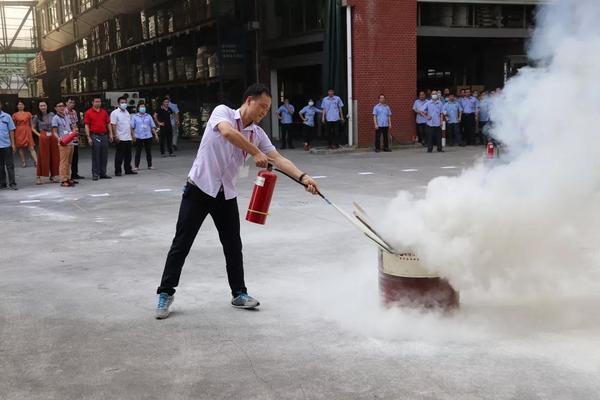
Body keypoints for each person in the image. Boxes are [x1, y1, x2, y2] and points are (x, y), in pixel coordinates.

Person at [154, 83, 319, 319]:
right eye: (261, 106)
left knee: (233, 245)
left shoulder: (258, 134)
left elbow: (279, 159)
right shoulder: (222, 113)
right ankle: (165, 292)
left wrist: (304, 178)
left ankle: (239, 293)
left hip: (225, 194)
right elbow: (229, 133)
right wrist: (255, 153)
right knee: (181, 243)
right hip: (199, 188)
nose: (264, 112)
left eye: (267, 109)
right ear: (248, 100)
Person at [84, 97, 113, 180]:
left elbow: (108, 123)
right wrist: (88, 137)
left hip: (104, 135)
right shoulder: (88, 112)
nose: (98, 103)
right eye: (96, 101)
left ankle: (103, 173)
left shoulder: (104, 112)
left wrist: (111, 134)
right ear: (92, 102)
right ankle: (95, 174)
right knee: (96, 155)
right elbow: (86, 125)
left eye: (99, 101)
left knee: (104, 155)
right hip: (95, 135)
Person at [32, 101, 59, 184]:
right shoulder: (36, 116)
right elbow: (32, 128)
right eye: (41, 106)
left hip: (52, 135)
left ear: (47, 106)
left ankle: (53, 176)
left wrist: (56, 133)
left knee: (54, 155)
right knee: (42, 156)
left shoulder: (52, 114)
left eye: (44, 105)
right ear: (39, 107)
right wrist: (39, 135)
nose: (43, 107)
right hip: (43, 135)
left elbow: (56, 124)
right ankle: (38, 177)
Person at [52, 101, 77, 187]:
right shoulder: (55, 118)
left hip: (70, 141)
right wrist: (58, 138)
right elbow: (54, 132)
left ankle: (68, 177)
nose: (61, 107)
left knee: (69, 162)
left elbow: (70, 127)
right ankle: (63, 180)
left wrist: (74, 133)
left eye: (62, 106)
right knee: (64, 162)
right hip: (63, 142)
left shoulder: (66, 116)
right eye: (59, 106)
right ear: (55, 108)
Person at [111, 96, 137, 176]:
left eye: (125, 102)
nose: (124, 104)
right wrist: (115, 135)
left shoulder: (127, 112)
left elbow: (130, 125)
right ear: (118, 103)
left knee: (128, 155)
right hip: (120, 137)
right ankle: (118, 171)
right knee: (119, 155)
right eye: (122, 102)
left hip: (128, 137)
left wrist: (133, 135)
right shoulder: (114, 113)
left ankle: (128, 169)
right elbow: (113, 125)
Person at [132, 101, 158, 170]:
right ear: (138, 108)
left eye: (144, 107)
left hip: (148, 136)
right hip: (139, 136)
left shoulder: (148, 116)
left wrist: (156, 135)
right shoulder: (134, 117)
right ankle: (136, 166)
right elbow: (132, 127)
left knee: (148, 151)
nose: (143, 108)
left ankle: (150, 165)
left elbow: (152, 126)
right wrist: (133, 136)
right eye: (141, 107)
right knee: (138, 152)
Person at [12, 101, 37, 168]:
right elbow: (13, 126)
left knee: (31, 147)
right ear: (17, 106)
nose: (20, 106)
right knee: (20, 147)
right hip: (18, 131)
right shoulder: (14, 115)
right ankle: (23, 162)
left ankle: (36, 161)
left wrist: (34, 130)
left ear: (24, 106)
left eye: (22, 104)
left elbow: (31, 125)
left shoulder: (28, 113)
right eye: (19, 104)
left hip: (27, 130)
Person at [66, 97, 85, 180]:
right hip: (67, 135)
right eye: (70, 102)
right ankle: (67, 175)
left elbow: (76, 124)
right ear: (66, 103)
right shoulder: (64, 112)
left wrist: (78, 136)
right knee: (68, 156)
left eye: (73, 102)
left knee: (75, 156)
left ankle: (75, 173)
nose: (72, 104)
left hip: (74, 135)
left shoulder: (74, 112)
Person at [0, 102, 17, 190]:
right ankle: (2, 183)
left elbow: (11, 131)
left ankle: (12, 183)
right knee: (0, 166)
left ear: (1, 105)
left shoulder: (7, 116)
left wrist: (13, 144)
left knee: (10, 165)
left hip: (6, 145)